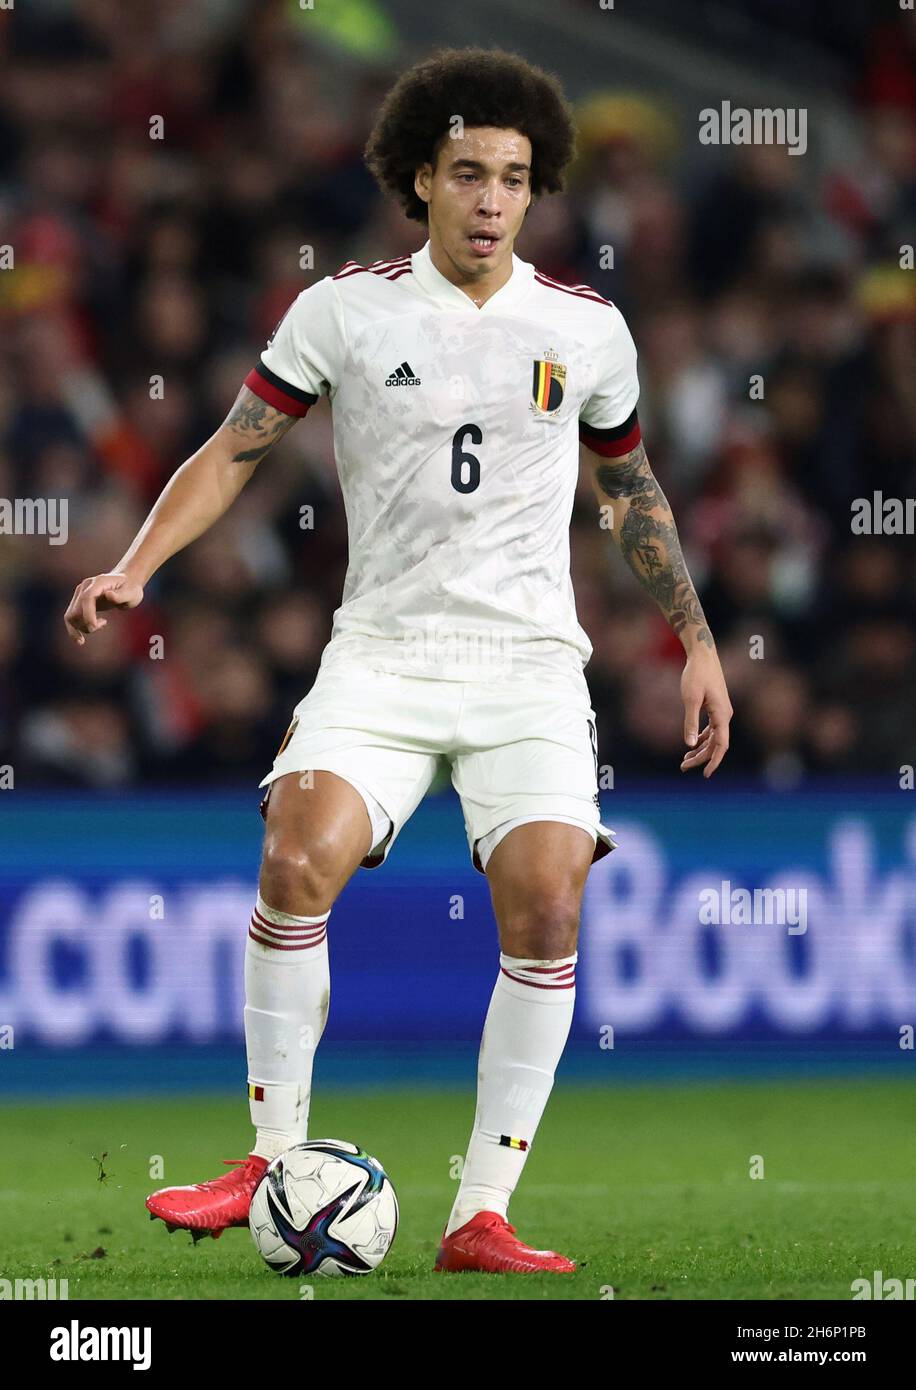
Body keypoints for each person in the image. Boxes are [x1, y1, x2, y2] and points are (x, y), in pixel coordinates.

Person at [64, 47, 732, 1275]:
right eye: (468, 173)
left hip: (529, 661)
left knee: (546, 900)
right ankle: (269, 1157)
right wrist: (136, 566)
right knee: (295, 852)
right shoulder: (344, 311)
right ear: (419, 178)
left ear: (536, 194)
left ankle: (479, 1212)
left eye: (515, 179)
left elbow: (630, 490)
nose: (491, 199)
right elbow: (232, 449)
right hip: (382, 650)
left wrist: (695, 640)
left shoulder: (586, 330)